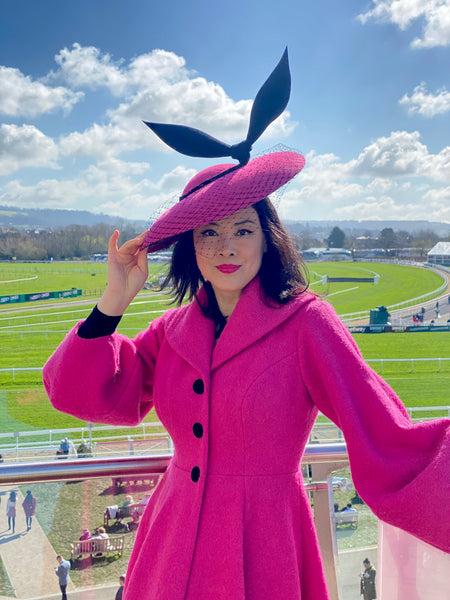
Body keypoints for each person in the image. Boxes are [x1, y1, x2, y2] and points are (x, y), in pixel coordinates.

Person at [43, 50, 450, 600]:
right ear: (191, 247)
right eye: (208, 233)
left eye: (243, 229)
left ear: (268, 237)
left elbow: (387, 435)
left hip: (267, 546)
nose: (227, 247)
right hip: (170, 544)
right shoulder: (172, 331)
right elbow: (87, 394)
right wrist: (113, 301)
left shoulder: (307, 322)